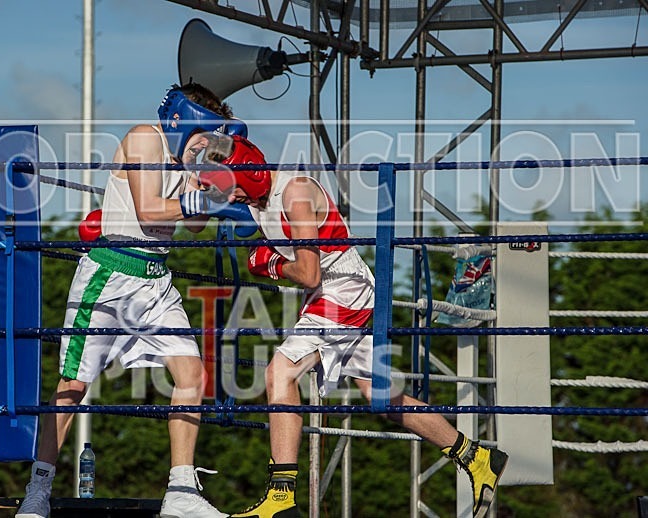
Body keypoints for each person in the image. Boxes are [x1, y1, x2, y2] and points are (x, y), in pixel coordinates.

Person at [198, 136, 509, 518]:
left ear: (251, 171)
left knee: (280, 373)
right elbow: (203, 218)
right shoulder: (257, 199)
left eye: (236, 190)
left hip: (342, 290)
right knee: (382, 398)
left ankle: (281, 497)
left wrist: (271, 264)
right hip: (340, 291)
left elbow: (309, 273)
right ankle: (477, 457)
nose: (236, 200)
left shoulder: (294, 193)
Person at [16, 83, 256, 518]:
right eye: (203, 136)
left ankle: (181, 490)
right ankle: (38, 490)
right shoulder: (145, 136)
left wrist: (214, 184)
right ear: (183, 120)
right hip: (110, 272)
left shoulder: (188, 159)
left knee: (191, 374)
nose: (205, 144)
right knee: (73, 386)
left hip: (155, 279)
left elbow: (196, 225)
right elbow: (149, 211)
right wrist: (200, 193)